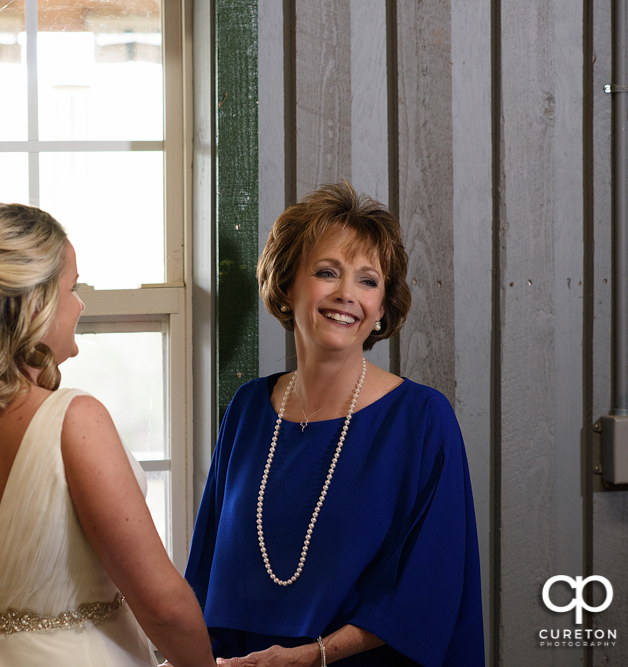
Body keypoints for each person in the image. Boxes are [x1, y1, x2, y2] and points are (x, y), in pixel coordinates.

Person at [184, 182, 484, 667]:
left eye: (368, 281)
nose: (347, 294)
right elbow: (203, 572)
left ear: (383, 307)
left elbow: (429, 590)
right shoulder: (247, 411)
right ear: (286, 285)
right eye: (327, 272)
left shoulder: (422, 420)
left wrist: (310, 656)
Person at [0, 199, 216, 667]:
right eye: (72, 288)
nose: (80, 304)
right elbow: (164, 607)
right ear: (34, 303)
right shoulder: (74, 419)